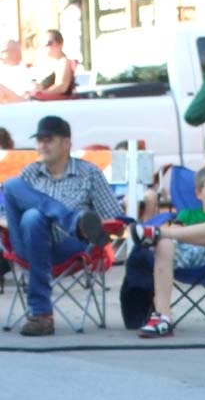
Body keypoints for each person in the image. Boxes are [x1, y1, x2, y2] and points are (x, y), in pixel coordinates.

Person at [2, 114, 119, 336]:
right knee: (13, 188)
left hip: (70, 247)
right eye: (39, 140)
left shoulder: (89, 173)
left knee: (33, 216)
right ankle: (72, 220)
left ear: (66, 143)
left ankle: (41, 314)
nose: (42, 145)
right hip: (27, 244)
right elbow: (4, 216)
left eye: (49, 139)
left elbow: (113, 218)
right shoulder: (29, 173)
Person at [131, 165, 205, 338]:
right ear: (199, 194)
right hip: (187, 254)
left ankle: (157, 233)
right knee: (165, 244)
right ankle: (163, 318)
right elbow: (179, 237)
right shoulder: (188, 214)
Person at [33, 30, 75, 98]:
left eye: (48, 43)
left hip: (56, 105)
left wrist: (40, 93)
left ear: (60, 44)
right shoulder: (52, 64)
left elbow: (61, 87)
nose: (45, 46)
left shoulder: (64, 62)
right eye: (42, 44)